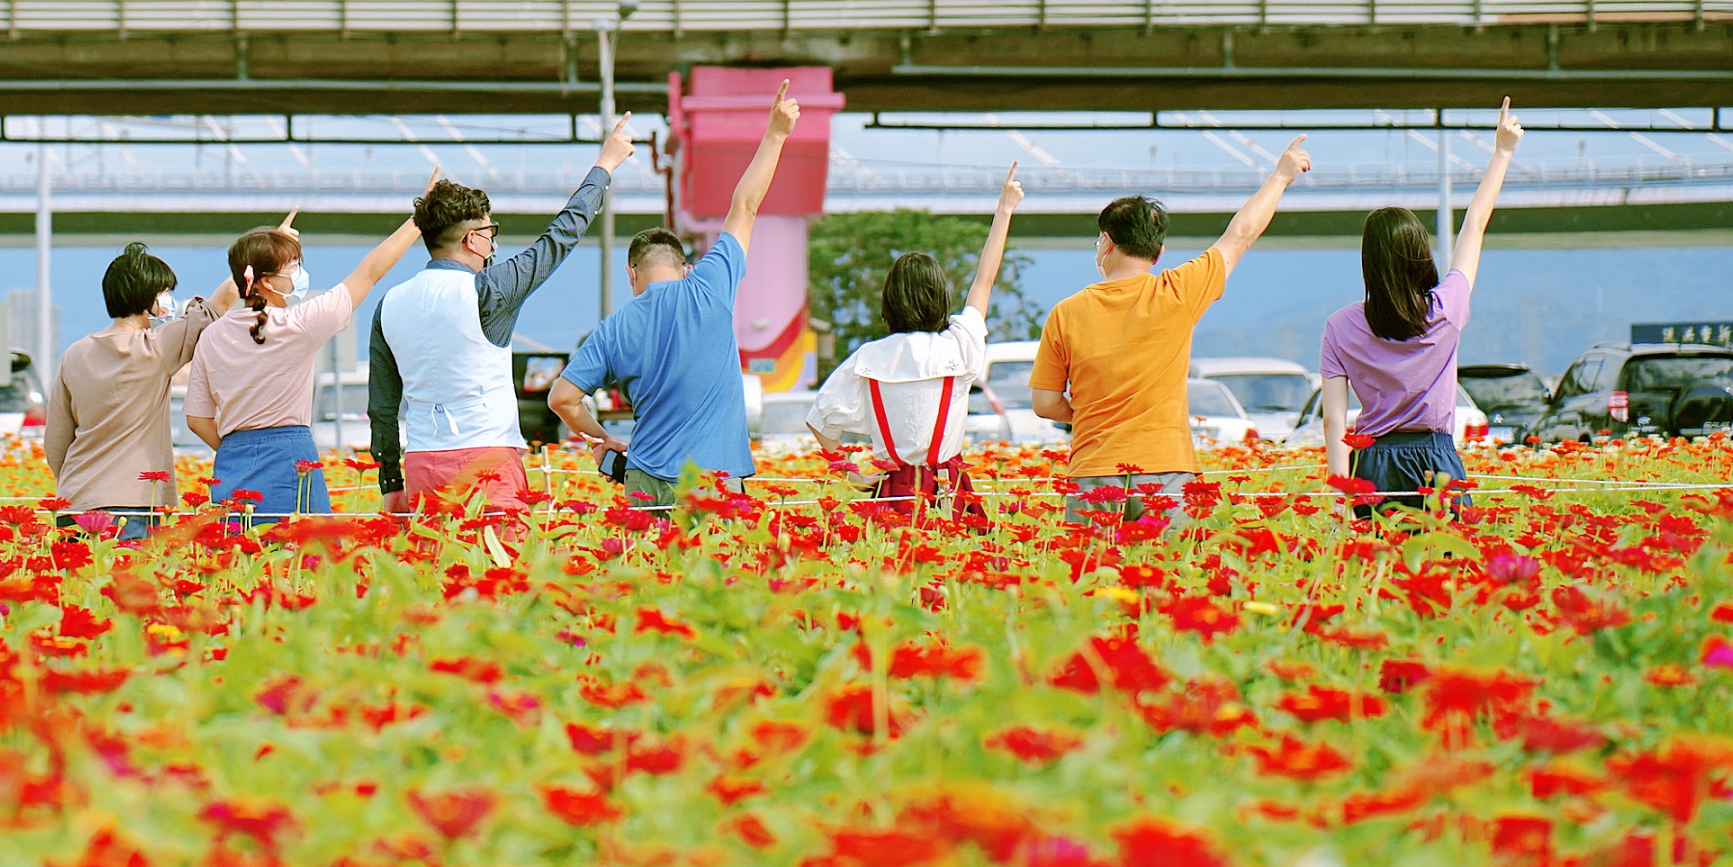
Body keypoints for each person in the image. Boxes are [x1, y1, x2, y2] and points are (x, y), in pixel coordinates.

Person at [1029, 139, 1315, 524]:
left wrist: (1093, 413)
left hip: (1092, 471)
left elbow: (1046, 404)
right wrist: (1280, 177)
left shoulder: (1066, 313)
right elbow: (1241, 234)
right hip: (1165, 470)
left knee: (1092, 579)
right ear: (1158, 254)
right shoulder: (1178, 291)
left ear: (1107, 244)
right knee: (1169, 579)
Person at [368, 116, 643, 514]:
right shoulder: (490, 289)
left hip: (422, 460)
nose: (493, 243)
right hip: (487, 458)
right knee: (500, 568)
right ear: (473, 239)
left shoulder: (389, 302)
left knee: (432, 573)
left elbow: (383, 403)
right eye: (490, 233)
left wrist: (391, 479)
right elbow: (559, 238)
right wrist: (606, 165)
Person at [548, 76, 801, 508]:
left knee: (653, 574)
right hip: (715, 480)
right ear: (685, 268)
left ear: (632, 275)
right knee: (715, 575)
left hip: (646, 477)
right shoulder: (710, 285)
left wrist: (604, 437)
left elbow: (562, 398)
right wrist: (776, 133)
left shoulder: (612, 329)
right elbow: (745, 206)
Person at [186, 182, 432, 522]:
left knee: (238, 565)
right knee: (301, 563)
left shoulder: (211, 336)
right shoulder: (296, 324)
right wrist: (418, 219)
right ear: (268, 281)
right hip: (290, 454)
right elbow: (370, 272)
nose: (297, 275)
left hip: (231, 461)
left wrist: (238, 450)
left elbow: (197, 420)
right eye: (291, 268)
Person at [1320, 99, 1520, 514]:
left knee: (1376, 573)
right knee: (1446, 570)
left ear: (1368, 262)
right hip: (1436, 459)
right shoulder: (1446, 308)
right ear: (1421, 254)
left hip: (1371, 463)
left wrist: (1342, 500)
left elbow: (1334, 421)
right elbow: (1475, 224)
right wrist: (1502, 152)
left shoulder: (1340, 325)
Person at [806, 163, 1025, 518]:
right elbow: (984, 281)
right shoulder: (959, 344)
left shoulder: (869, 357)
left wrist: (852, 474)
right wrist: (1004, 210)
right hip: (948, 488)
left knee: (889, 564)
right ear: (940, 296)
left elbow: (819, 420)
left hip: (891, 491)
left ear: (888, 302)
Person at [40, 239, 248, 537]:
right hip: (133, 503)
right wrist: (271, 247)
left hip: (75, 501)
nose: (168, 299)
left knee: (80, 583)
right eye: (163, 292)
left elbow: (56, 441)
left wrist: (80, 483)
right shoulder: (155, 348)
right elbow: (221, 301)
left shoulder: (74, 353)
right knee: (131, 584)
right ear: (145, 298)